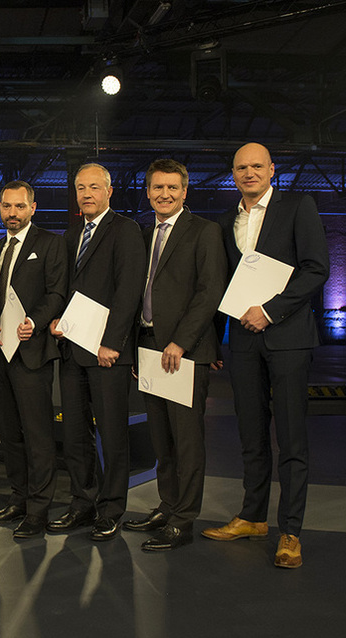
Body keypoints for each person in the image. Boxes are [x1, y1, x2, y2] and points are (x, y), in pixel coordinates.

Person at [202, 143, 329, 569]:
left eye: (257, 165)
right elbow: (222, 285)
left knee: (291, 438)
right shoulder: (225, 220)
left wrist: (270, 310)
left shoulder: (298, 206)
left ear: (272, 169)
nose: (249, 172)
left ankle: (290, 531)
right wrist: (215, 340)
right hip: (242, 341)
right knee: (251, 434)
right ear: (233, 173)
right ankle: (253, 517)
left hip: (287, 338)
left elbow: (316, 267)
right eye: (241, 167)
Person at [124, 159, 227, 551]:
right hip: (149, 347)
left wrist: (181, 342)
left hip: (183, 352)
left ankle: (184, 518)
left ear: (185, 192)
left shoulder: (204, 232)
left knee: (186, 441)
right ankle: (167, 505)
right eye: (156, 188)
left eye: (172, 188)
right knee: (161, 438)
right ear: (147, 192)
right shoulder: (143, 232)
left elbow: (209, 291)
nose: (164, 194)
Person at [48, 163, 146, 541]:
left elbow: (128, 290)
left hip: (106, 353)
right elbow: (64, 287)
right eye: (80, 188)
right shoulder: (72, 234)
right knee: (74, 435)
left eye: (94, 187)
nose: (86, 194)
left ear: (109, 191)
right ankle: (82, 502)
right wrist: (56, 319)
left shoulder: (125, 230)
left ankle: (111, 508)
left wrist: (113, 342)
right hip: (73, 349)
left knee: (112, 434)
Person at [0, 180, 68, 539]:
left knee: (37, 435)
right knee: (9, 435)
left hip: (32, 352)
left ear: (32, 208)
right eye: (6, 206)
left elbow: (57, 292)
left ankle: (38, 508)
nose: (12, 213)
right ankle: (18, 498)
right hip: (0, 354)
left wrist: (33, 322)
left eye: (19, 207)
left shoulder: (51, 244)